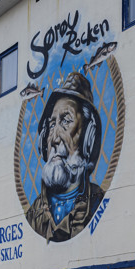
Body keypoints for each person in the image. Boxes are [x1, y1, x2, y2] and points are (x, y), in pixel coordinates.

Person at [26, 72, 103, 242]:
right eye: (52, 125)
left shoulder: (100, 203)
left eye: (66, 121)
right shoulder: (32, 215)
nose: (54, 138)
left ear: (87, 138)